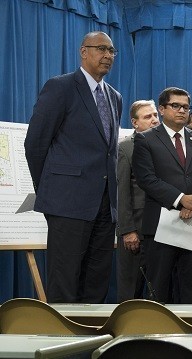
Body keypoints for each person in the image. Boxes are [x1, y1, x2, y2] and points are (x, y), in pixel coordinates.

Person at [24, 31, 122, 303]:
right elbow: (35, 144)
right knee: (64, 280)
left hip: (105, 204)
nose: (108, 55)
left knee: (97, 280)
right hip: (66, 202)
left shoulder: (115, 97)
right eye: (101, 49)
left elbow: (108, 151)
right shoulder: (61, 87)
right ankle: (62, 342)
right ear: (83, 52)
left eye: (112, 51)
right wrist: (50, 190)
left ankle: (91, 338)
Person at [132, 87, 192, 303]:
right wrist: (181, 199)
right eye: (176, 106)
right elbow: (147, 179)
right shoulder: (146, 140)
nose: (182, 110)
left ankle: (191, 333)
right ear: (162, 109)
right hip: (161, 224)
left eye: (186, 107)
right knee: (159, 287)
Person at [116, 100, 159, 302]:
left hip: (164, 228)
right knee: (131, 289)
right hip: (136, 229)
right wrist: (127, 230)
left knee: (158, 289)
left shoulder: (165, 145)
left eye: (155, 115)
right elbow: (122, 192)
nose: (154, 120)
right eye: (147, 117)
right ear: (135, 122)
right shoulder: (126, 148)